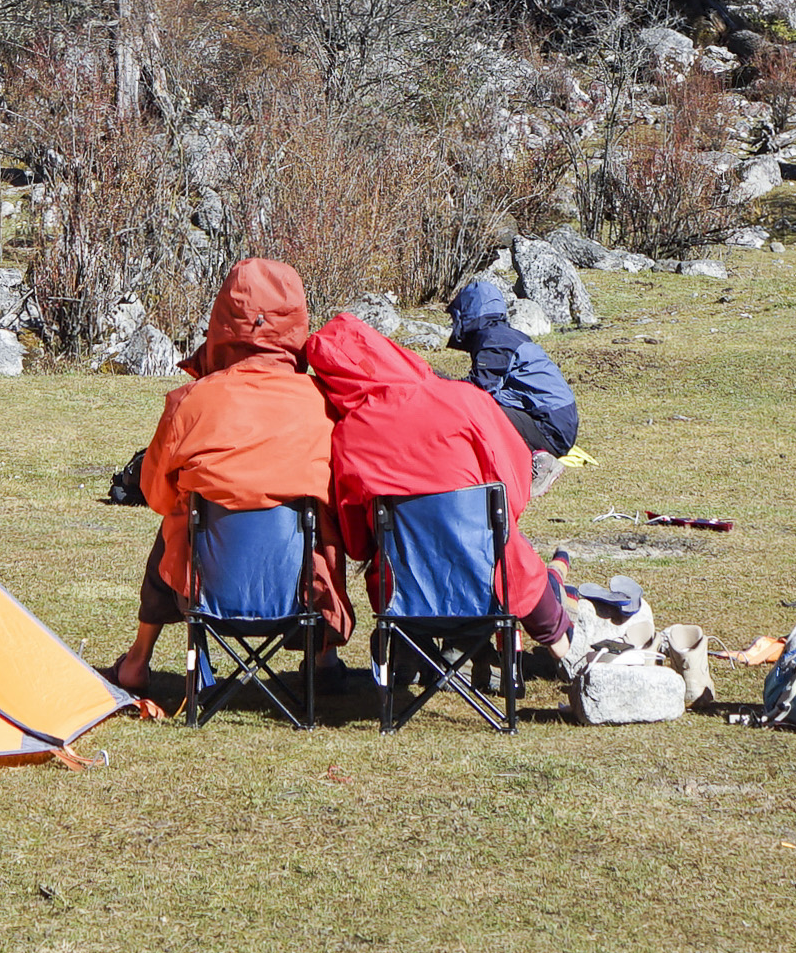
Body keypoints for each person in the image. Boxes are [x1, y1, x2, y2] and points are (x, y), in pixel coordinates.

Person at [107, 257, 343, 698]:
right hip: (298, 592)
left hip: (205, 590)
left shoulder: (192, 401)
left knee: (178, 521)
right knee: (319, 524)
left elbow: (156, 493)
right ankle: (323, 656)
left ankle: (138, 659)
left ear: (222, 320)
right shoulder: (321, 404)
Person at [304, 313, 569, 650]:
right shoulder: (462, 398)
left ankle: (413, 658)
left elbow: (357, 544)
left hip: (405, 596)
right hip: (490, 578)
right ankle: (569, 654)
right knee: (519, 562)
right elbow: (511, 486)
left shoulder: (348, 437)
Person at [447, 278, 581, 495]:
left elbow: (478, 388)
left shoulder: (495, 340)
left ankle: (541, 461)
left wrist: (438, 389)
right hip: (556, 421)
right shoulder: (501, 335)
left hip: (551, 426)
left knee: (475, 408)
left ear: (467, 313)